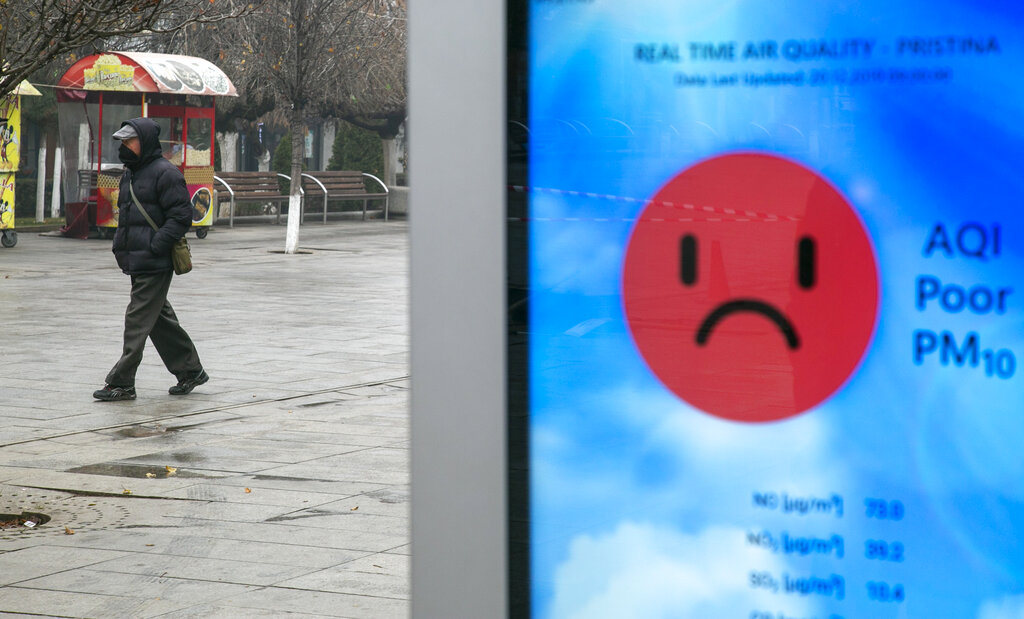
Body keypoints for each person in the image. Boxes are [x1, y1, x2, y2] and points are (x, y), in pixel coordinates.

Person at [93, 118, 208, 401]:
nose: (123, 147)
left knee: (137, 319)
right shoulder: (131, 173)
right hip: (137, 258)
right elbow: (127, 217)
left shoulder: (166, 173)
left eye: (128, 141)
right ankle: (190, 370)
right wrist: (121, 248)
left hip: (155, 260)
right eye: (121, 142)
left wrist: (157, 245)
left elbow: (182, 216)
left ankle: (122, 382)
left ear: (143, 142)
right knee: (157, 319)